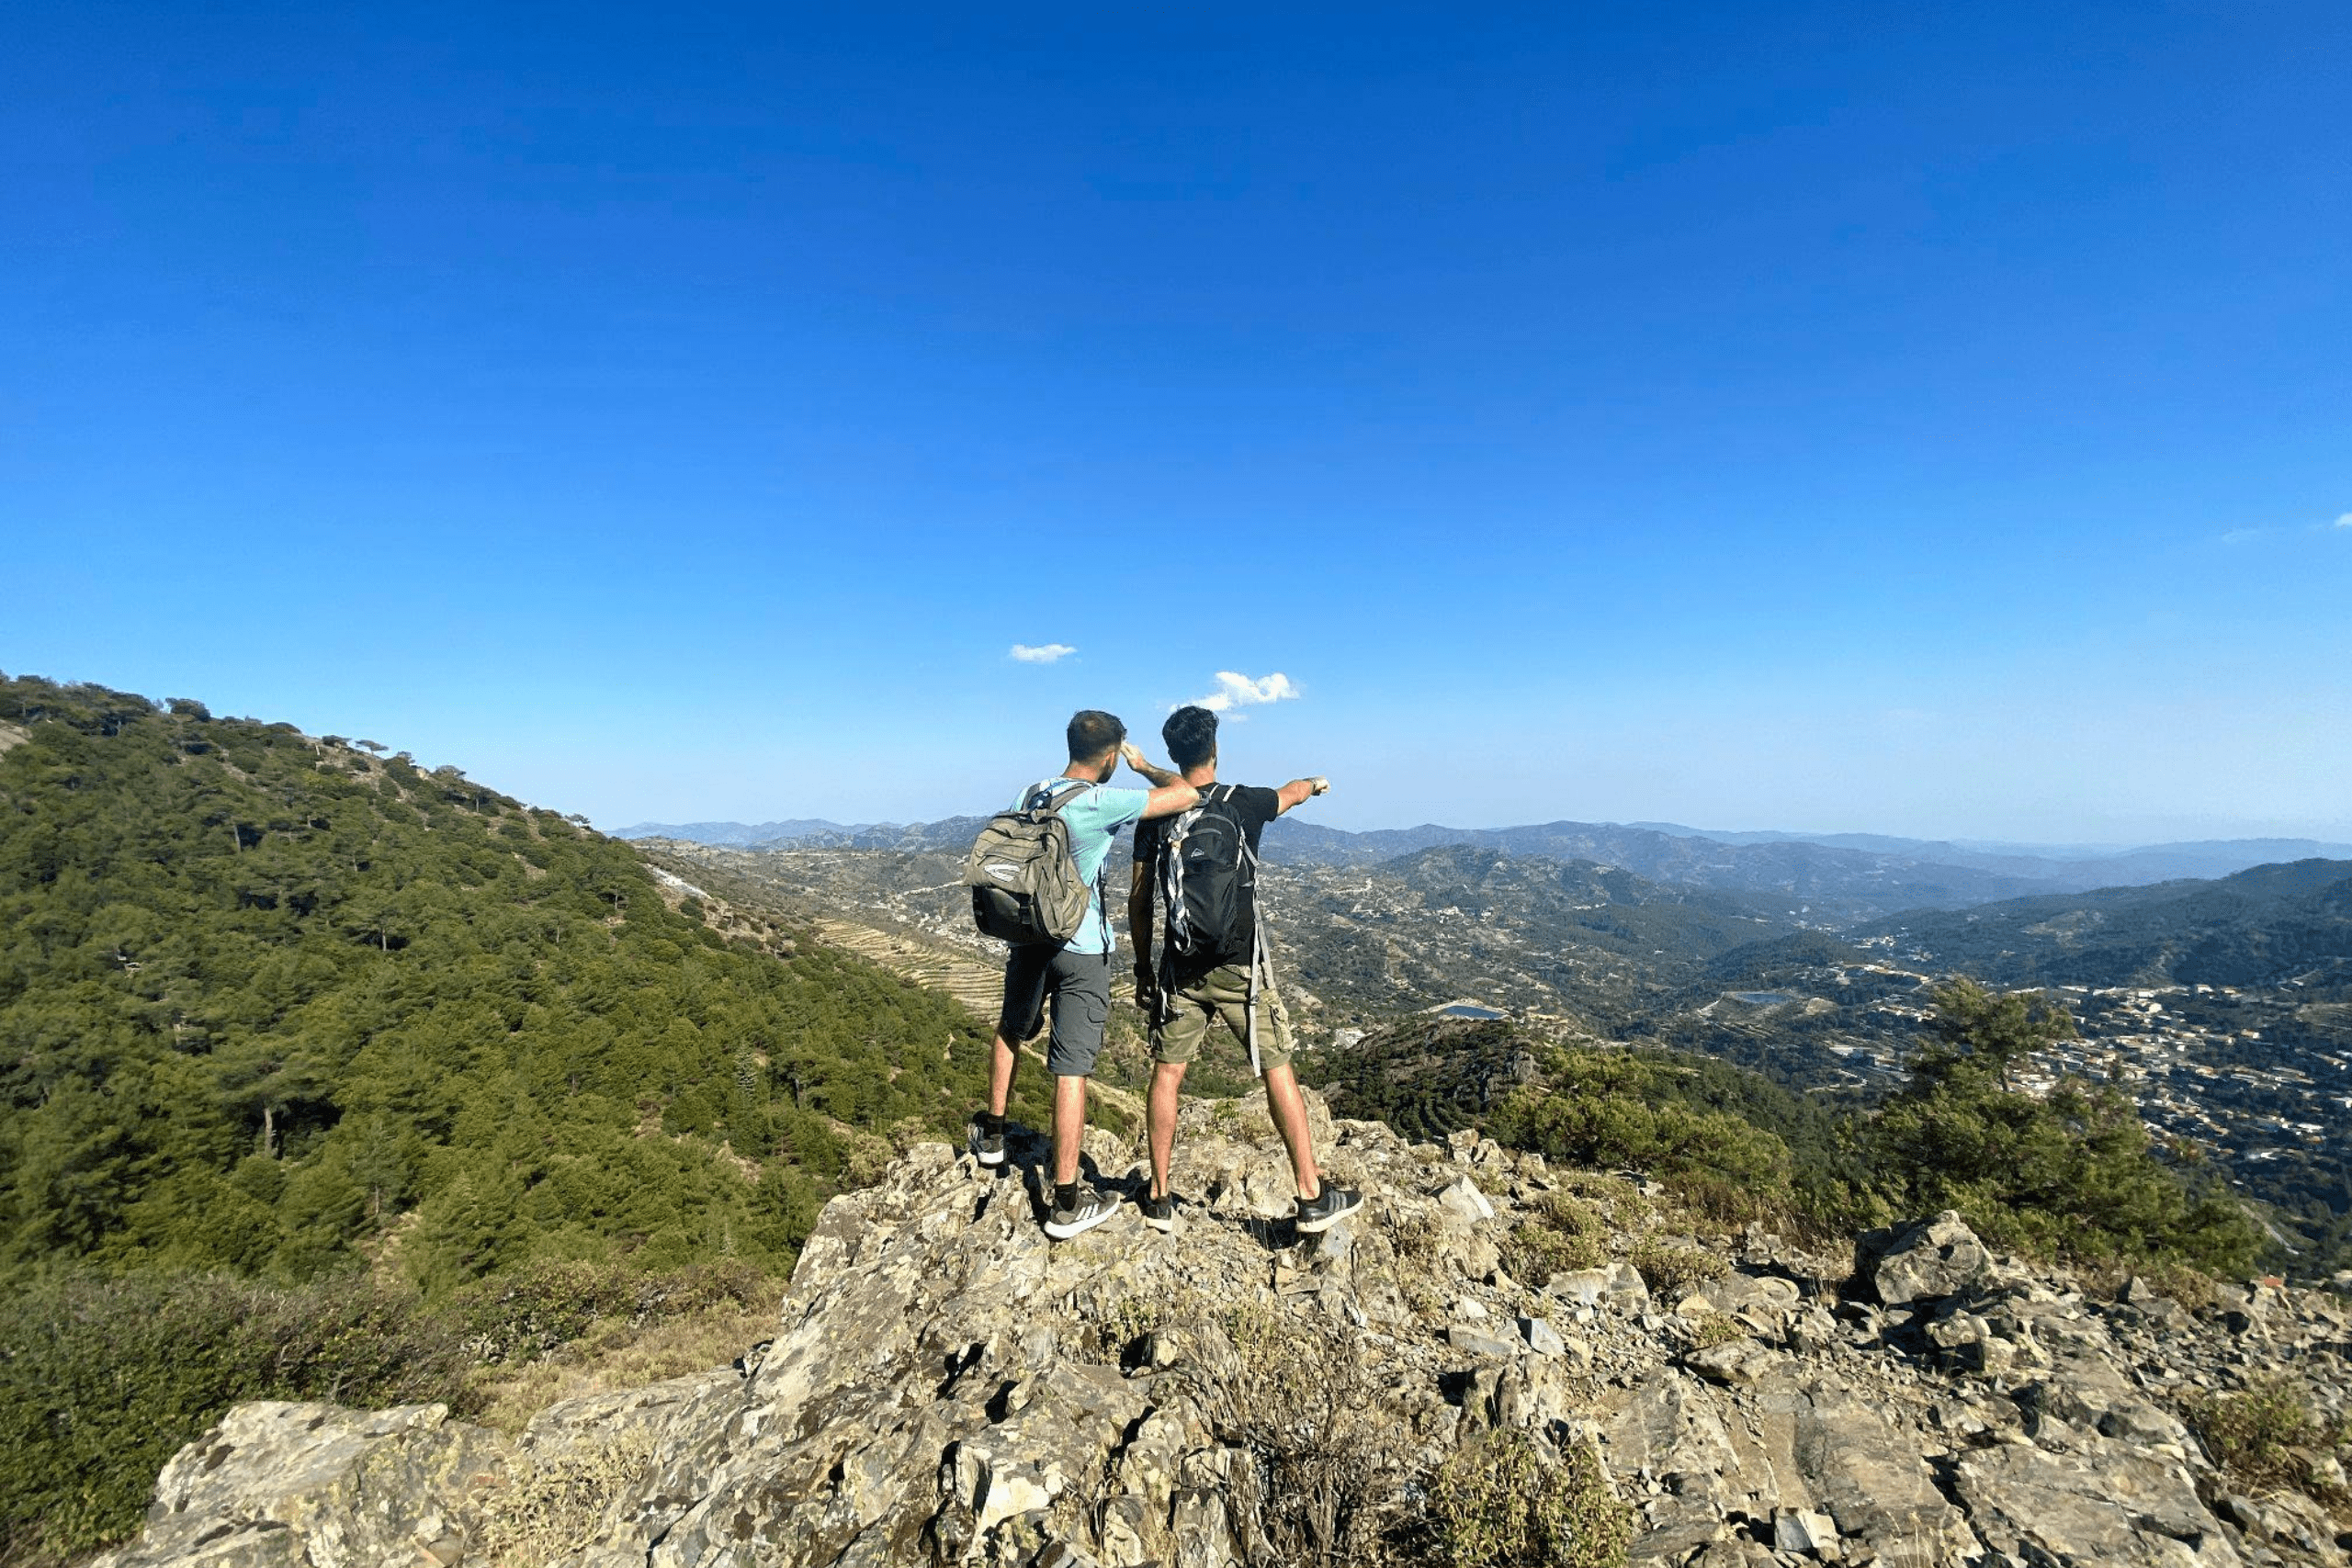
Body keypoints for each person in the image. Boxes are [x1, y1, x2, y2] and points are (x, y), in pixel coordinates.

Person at [1127, 705, 1363, 1235]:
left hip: (1179, 968)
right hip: (1240, 966)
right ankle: (1310, 1194)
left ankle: (1161, 1197)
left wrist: (1144, 968)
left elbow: (1140, 900)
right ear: (1216, 750)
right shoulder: (1243, 803)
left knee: (1168, 1074)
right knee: (1277, 1068)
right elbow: (1293, 792)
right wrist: (1317, 782)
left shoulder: (1156, 811)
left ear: (1172, 755)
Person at [968, 709, 1197, 1240]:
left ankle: (994, 1134)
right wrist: (1144, 767)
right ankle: (1067, 1201)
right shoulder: (1101, 800)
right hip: (1081, 948)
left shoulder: (1030, 794)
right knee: (1070, 1068)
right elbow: (1189, 794)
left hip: (1027, 938)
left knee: (1011, 1028)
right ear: (1111, 755)